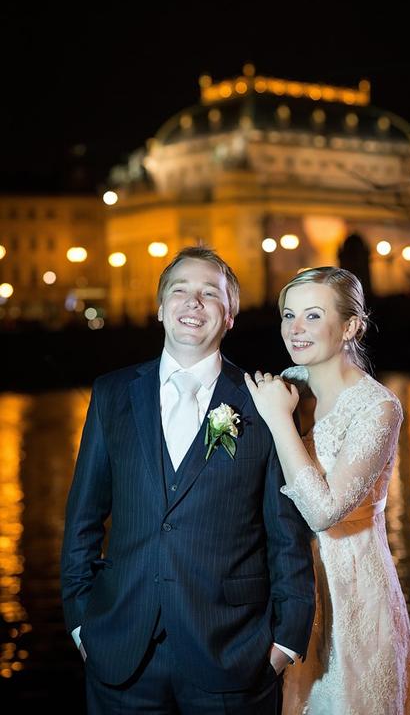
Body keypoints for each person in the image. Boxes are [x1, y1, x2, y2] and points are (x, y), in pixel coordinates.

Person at [60, 246, 315, 715]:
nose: (193, 303)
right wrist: (80, 623)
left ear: (230, 315)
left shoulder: (264, 402)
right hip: (120, 649)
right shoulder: (111, 393)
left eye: (210, 293)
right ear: (161, 308)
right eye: (180, 290)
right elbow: (83, 518)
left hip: (233, 653)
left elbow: (287, 533)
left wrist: (285, 641)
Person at [245, 266, 410, 715]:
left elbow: (323, 512)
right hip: (288, 580)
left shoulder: (378, 407)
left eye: (312, 315)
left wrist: (279, 420)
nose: (295, 329)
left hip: (351, 589)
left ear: (350, 326)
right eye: (289, 315)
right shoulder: (287, 384)